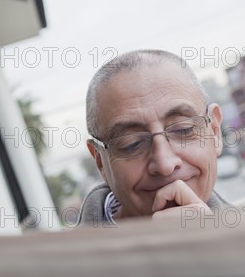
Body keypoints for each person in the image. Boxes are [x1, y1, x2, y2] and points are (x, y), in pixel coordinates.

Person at [77, 49, 229, 226]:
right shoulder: (71, 253)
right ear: (100, 161)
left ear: (215, 131)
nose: (165, 165)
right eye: (131, 144)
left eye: (183, 130)